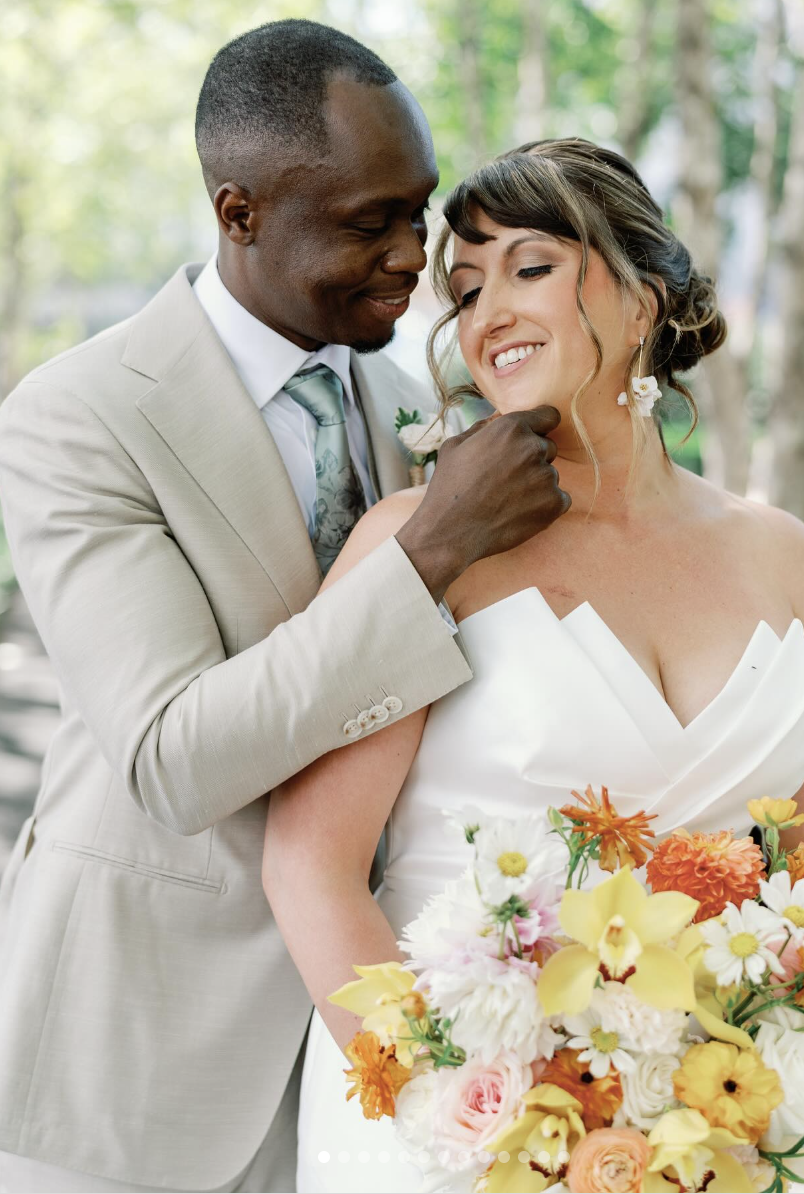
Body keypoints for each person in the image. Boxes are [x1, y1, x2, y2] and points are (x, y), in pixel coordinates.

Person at [0, 22, 569, 1194]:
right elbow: (175, 758)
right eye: (371, 222)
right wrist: (435, 544)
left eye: (418, 213)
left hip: (357, 1061)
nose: (413, 256)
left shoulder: (416, 407)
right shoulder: (78, 418)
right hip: (137, 1059)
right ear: (239, 211)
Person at [262, 138, 804, 1194]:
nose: (488, 313)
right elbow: (310, 863)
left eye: (531, 267)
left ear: (643, 296)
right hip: (458, 1138)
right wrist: (456, 1111)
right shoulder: (421, 544)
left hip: (738, 1129)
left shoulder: (783, 551)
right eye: (464, 292)